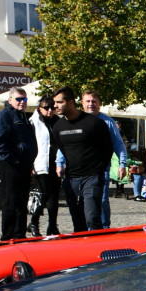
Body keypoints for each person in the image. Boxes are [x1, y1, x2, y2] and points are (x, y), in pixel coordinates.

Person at [51, 87, 112, 232]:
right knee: (78, 221)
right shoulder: (58, 126)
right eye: (55, 103)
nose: (55, 106)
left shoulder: (94, 123)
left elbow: (107, 149)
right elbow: (62, 148)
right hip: (71, 178)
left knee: (92, 218)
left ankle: (97, 250)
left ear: (71, 102)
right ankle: (83, 252)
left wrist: (98, 171)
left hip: (92, 177)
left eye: (59, 102)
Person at [78, 90, 129, 228]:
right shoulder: (76, 120)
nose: (91, 104)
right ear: (82, 103)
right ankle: (86, 228)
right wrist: (60, 162)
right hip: (79, 170)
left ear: (99, 104)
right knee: (82, 201)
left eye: (94, 101)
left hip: (101, 169)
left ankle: (104, 227)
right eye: (87, 101)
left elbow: (118, 144)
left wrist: (122, 163)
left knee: (102, 200)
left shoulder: (108, 122)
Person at [0, 87, 38, 240]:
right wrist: (12, 159)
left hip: (24, 165)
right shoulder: (5, 115)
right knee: (11, 202)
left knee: (21, 201)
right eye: (18, 99)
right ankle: (8, 236)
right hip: (10, 165)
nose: (22, 102)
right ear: (10, 100)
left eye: (24, 99)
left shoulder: (23, 116)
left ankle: (19, 234)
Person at [28, 95, 61, 236]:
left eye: (52, 108)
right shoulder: (33, 121)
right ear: (39, 108)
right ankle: (34, 222)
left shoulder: (58, 122)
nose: (49, 111)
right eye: (46, 108)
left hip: (56, 164)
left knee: (54, 197)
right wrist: (30, 164)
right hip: (40, 163)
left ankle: (52, 225)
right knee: (42, 195)